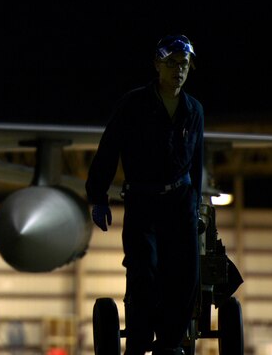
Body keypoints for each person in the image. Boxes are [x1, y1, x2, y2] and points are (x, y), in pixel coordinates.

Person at [85, 34, 204, 355]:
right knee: (143, 271)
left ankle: (169, 345)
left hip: (180, 202)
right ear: (157, 65)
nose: (178, 70)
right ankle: (137, 345)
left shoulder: (194, 111)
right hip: (143, 202)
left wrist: (197, 205)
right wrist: (97, 196)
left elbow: (197, 162)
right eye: (171, 63)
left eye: (184, 64)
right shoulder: (133, 104)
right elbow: (108, 150)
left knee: (186, 277)